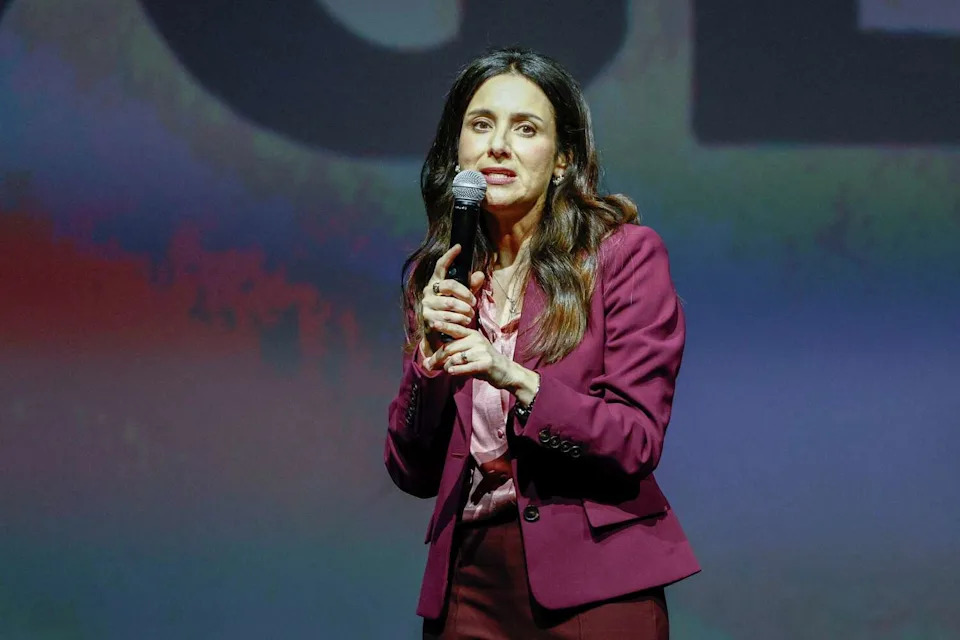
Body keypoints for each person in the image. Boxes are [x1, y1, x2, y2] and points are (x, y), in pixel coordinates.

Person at [385, 47, 699, 639]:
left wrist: (515, 378)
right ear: (457, 150)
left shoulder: (621, 257)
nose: (498, 146)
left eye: (526, 128)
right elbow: (411, 470)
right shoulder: (441, 277)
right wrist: (429, 361)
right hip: (468, 582)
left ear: (562, 160)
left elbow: (634, 440)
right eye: (481, 125)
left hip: (595, 583)